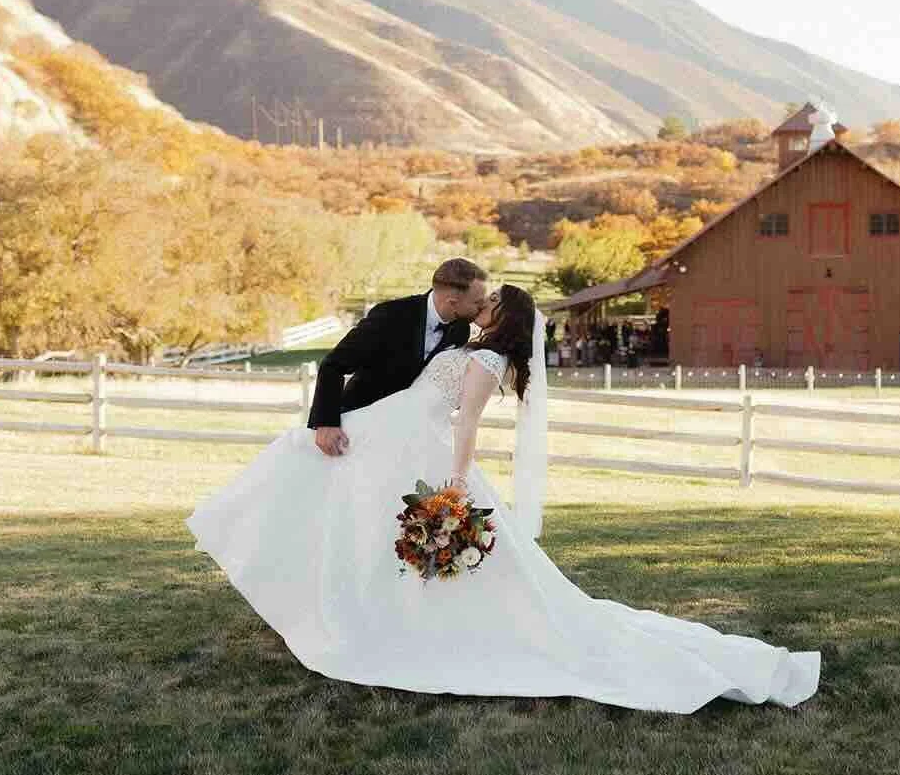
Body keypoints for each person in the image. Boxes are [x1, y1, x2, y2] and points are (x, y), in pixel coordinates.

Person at [186, 284, 820, 712]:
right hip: (389, 435)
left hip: (425, 453)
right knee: (323, 494)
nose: (480, 305)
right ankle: (347, 600)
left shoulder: (488, 361)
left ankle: (393, 621)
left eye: (489, 302)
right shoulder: (475, 346)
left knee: (410, 544)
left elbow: (465, 422)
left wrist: (457, 482)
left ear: (503, 316)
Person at [306, 258, 488, 457]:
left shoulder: (461, 330)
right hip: (359, 425)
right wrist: (326, 423)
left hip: (406, 437)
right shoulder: (390, 315)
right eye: (478, 303)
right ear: (453, 302)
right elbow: (333, 364)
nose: (483, 307)